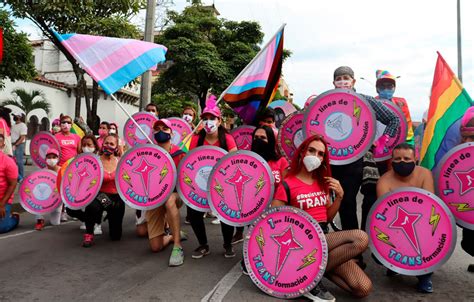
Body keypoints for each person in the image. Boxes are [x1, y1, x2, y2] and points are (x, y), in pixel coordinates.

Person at [272, 135, 372, 301]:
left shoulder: (323, 182)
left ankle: (313, 274)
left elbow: (327, 217)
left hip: (324, 239)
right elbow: (273, 223)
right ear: (302, 152)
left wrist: (339, 197)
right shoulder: (287, 184)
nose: (315, 156)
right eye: (311, 150)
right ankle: (310, 278)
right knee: (360, 238)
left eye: (320, 154)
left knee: (363, 288)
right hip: (304, 242)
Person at [331, 66, 400, 234]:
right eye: (338, 79)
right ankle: (353, 245)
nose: (342, 81)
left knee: (370, 198)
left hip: (363, 160)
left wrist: (382, 141)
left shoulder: (365, 100)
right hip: (338, 162)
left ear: (353, 81)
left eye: (346, 77)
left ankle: (367, 235)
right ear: (333, 83)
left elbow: (394, 119)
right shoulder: (327, 101)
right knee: (346, 202)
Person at [376, 143, 435, 293]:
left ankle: (425, 275)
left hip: (422, 225)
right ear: (391, 161)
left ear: (415, 159)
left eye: (407, 158)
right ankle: (394, 264)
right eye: (398, 159)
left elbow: (430, 205)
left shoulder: (425, 174)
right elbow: (386, 214)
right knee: (381, 249)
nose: (402, 162)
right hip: (394, 227)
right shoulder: (384, 181)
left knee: (429, 237)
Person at [188, 95, 238, 259]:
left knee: (226, 214)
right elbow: (191, 162)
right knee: (194, 213)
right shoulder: (196, 139)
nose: (208, 122)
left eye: (212, 118)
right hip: (201, 184)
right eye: (205, 119)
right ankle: (203, 245)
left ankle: (227, 244)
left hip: (223, 185)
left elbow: (234, 161)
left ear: (219, 121)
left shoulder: (228, 139)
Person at [233, 125, 289, 244]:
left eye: (263, 138)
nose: (258, 140)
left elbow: (286, 187)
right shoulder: (246, 161)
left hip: (276, 211)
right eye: (256, 137)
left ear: (270, 141)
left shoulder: (281, 161)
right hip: (254, 210)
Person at [142, 119, 187, 266]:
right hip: (155, 198)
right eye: (157, 129)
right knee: (156, 247)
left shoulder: (180, 154)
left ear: (171, 133)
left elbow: (186, 181)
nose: (161, 131)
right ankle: (174, 235)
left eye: (164, 128)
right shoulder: (147, 153)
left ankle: (177, 247)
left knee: (169, 201)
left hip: (174, 195)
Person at [82, 134, 125, 247]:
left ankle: (111, 214)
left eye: (112, 144)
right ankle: (89, 233)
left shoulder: (120, 161)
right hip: (101, 194)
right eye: (106, 143)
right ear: (102, 144)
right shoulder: (95, 161)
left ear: (116, 147)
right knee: (92, 207)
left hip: (117, 197)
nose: (108, 146)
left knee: (116, 236)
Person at [62, 134, 103, 235]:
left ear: (95, 146)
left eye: (89, 145)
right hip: (81, 190)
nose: (86, 147)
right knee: (70, 209)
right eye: (84, 145)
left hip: (100, 191)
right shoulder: (77, 160)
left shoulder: (101, 159)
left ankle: (98, 224)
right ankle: (88, 220)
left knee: (99, 203)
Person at [458, 107, 474, 273]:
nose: (468, 140)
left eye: (473, 137)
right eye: (465, 137)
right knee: (468, 244)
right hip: (469, 210)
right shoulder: (458, 155)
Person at [34, 148, 62, 231]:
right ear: (46, 159)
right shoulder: (42, 171)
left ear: (58, 159)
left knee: (55, 223)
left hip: (57, 199)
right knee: (37, 199)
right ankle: (40, 220)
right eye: (49, 157)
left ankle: (62, 211)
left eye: (54, 157)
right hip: (45, 197)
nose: (51, 159)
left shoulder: (62, 170)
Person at [0, 134, 20, 234]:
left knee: (2, 228)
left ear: (2, 145)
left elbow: (13, 184)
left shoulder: (8, 162)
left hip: (3, 200)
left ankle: (14, 218)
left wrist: (2, 204)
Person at [11, 113, 27, 182]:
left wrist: (16, 145)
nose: (14, 117)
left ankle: (21, 177)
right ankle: (18, 177)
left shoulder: (23, 125)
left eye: (15, 116)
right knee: (12, 161)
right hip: (13, 144)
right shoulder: (14, 125)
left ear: (20, 117)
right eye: (13, 116)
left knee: (19, 161)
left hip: (19, 145)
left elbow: (22, 137)